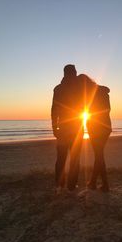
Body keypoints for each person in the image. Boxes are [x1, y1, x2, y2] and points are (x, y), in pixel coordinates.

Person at [51, 65, 83, 193]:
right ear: (71, 73)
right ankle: (70, 185)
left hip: (65, 128)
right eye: (74, 72)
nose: (75, 74)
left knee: (62, 158)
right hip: (74, 128)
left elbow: (54, 110)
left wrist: (54, 127)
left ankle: (61, 185)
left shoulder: (58, 88)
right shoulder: (79, 88)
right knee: (73, 158)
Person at [78, 74, 112, 192]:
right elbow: (108, 109)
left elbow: (83, 110)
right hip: (106, 127)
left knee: (99, 155)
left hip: (96, 128)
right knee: (99, 154)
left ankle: (103, 185)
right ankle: (94, 182)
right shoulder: (102, 91)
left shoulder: (87, 95)